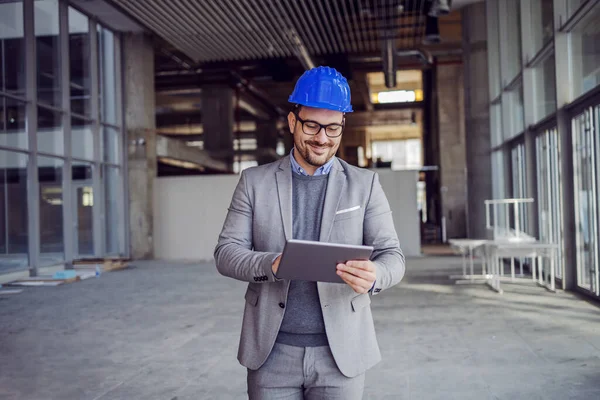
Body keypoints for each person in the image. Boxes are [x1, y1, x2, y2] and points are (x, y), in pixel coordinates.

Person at [214, 66, 405, 399]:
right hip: (271, 353)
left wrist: (376, 275)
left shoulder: (364, 185)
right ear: (293, 122)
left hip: (341, 353)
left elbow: (393, 255)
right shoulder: (254, 182)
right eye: (312, 125)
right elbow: (226, 253)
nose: (322, 138)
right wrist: (272, 265)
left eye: (333, 128)